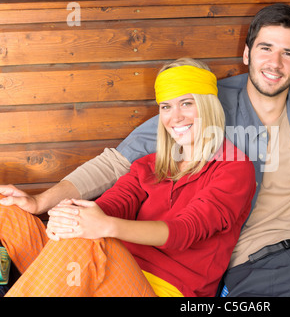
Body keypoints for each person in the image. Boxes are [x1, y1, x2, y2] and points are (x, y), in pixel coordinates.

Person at [0, 4, 290, 297]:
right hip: (249, 267)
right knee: (21, 220)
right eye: (265, 48)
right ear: (247, 53)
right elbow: (117, 165)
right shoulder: (204, 105)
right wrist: (44, 202)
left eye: (289, 54)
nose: (275, 62)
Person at [0, 58, 256, 297]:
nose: (175, 117)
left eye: (186, 103)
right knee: (5, 211)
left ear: (208, 105)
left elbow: (185, 231)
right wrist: (68, 216)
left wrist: (103, 226)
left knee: (85, 240)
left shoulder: (234, 169)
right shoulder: (150, 165)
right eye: (166, 106)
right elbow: (112, 203)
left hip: (161, 288)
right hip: (97, 269)